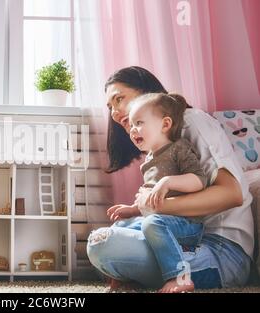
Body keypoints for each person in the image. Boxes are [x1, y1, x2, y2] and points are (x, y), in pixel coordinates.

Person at [87, 66, 254, 292]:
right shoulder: (158, 146)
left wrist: (157, 206)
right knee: (113, 232)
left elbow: (232, 193)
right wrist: (141, 209)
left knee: (105, 245)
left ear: (147, 92)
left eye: (119, 99)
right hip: (181, 238)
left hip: (222, 250)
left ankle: (166, 274)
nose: (115, 112)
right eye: (110, 107)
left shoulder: (191, 120)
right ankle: (142, 271)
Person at [107, 92, 208, 292]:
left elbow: (199, 180)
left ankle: (180, 277)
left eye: (139, 123)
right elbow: (151, 199)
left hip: (187, 224)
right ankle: (124, 274)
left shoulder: (179, 148)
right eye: (132, 124)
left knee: (153, 222)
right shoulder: (148, 161)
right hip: (159, 220)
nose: (133, 130)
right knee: (121, 227)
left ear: (165, 124)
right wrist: (133, 209)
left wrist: (167, 181)